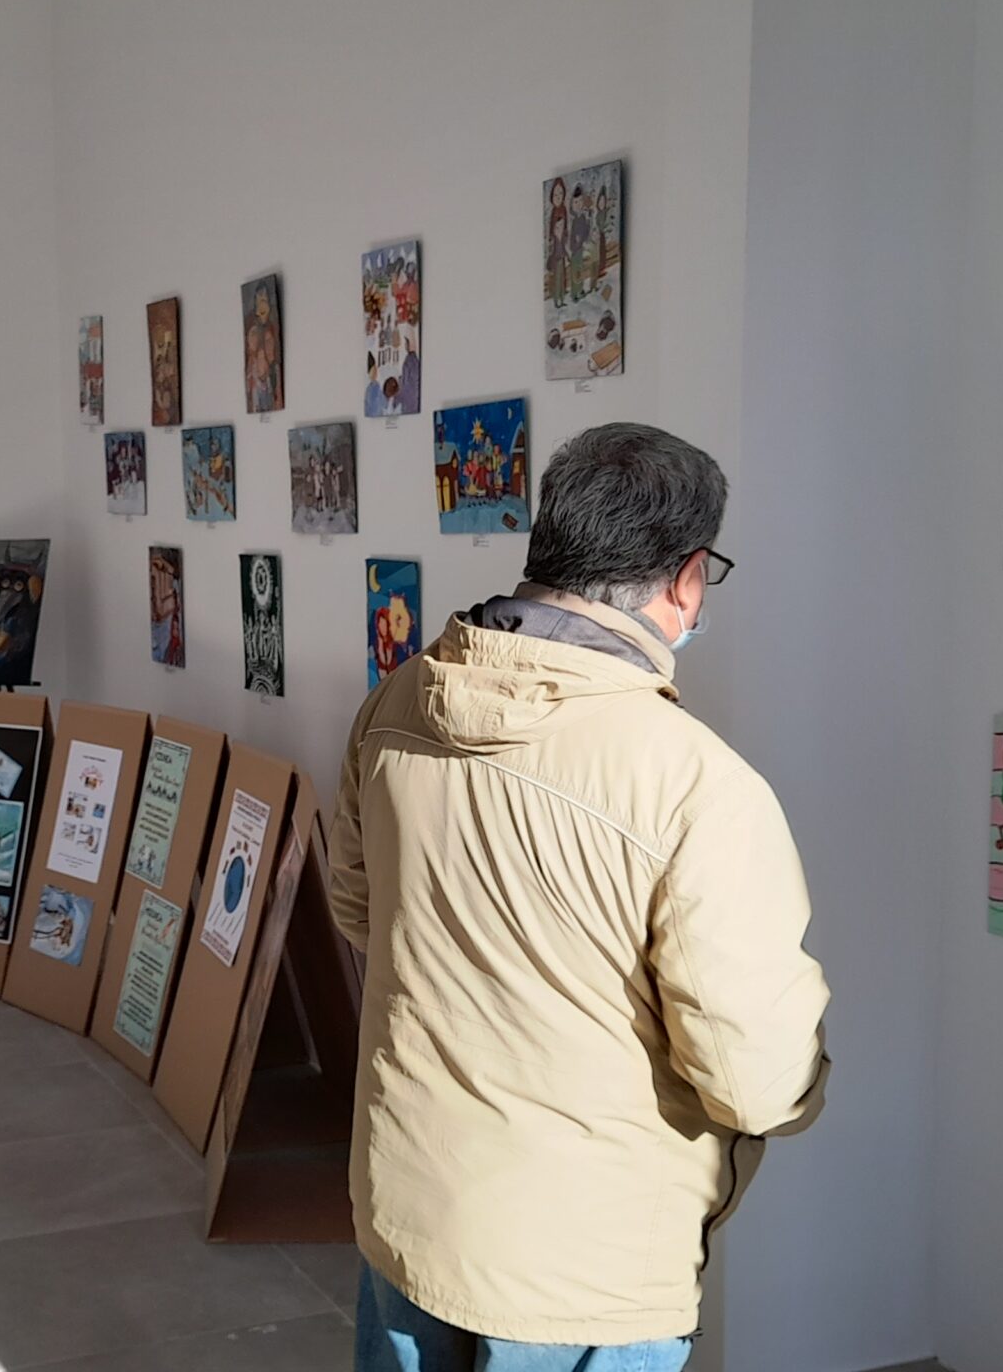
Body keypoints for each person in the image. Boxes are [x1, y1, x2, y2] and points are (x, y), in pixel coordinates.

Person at [332, 422, 830, 1370]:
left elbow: (360, 911)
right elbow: (756, 1080)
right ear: (687, 581)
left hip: (407, 1199)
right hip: (583, 1266)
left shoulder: (396, 704)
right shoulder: (698, 785)